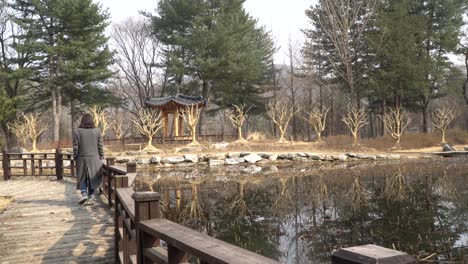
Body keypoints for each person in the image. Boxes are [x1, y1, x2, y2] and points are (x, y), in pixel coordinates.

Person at [73, 113, 104, 205]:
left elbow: (75, 146)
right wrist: (101, 155)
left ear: (82, 121)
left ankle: (84, 193)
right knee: (92, 177)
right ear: (91, 121)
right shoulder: (97, 131)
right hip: (94, 158)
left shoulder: (77, 131)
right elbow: (100, 145)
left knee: (82, 176)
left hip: (82, 157)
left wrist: (75, 156)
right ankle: (90, 196)